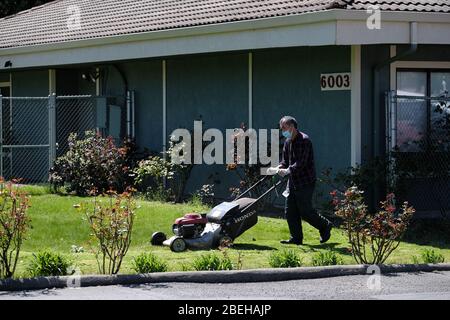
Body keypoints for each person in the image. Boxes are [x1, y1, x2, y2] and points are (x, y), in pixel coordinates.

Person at [275, 116, 333, 245]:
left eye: (284, 128)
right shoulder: (287, 141)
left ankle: (325, 225)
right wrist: (280, 167)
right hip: (293, 181)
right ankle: (296, 238)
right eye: (281, 129)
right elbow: (285, 161)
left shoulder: (304, 140)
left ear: (292, 127)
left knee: (305, 211)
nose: (282, 131)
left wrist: (288, 170)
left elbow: (302, 163)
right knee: (290, 211)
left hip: (305, 181)